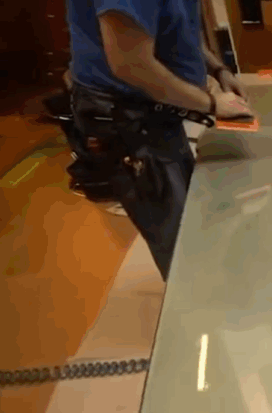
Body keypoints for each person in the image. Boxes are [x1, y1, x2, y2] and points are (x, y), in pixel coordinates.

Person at [66, 0, 254, 280]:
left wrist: (218, 69)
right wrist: (212, 103)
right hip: (127, 120)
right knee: (179, 243)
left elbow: (177, 26)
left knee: (191, 219)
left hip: (157, 111)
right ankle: (196, 313)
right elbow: (130, 64)